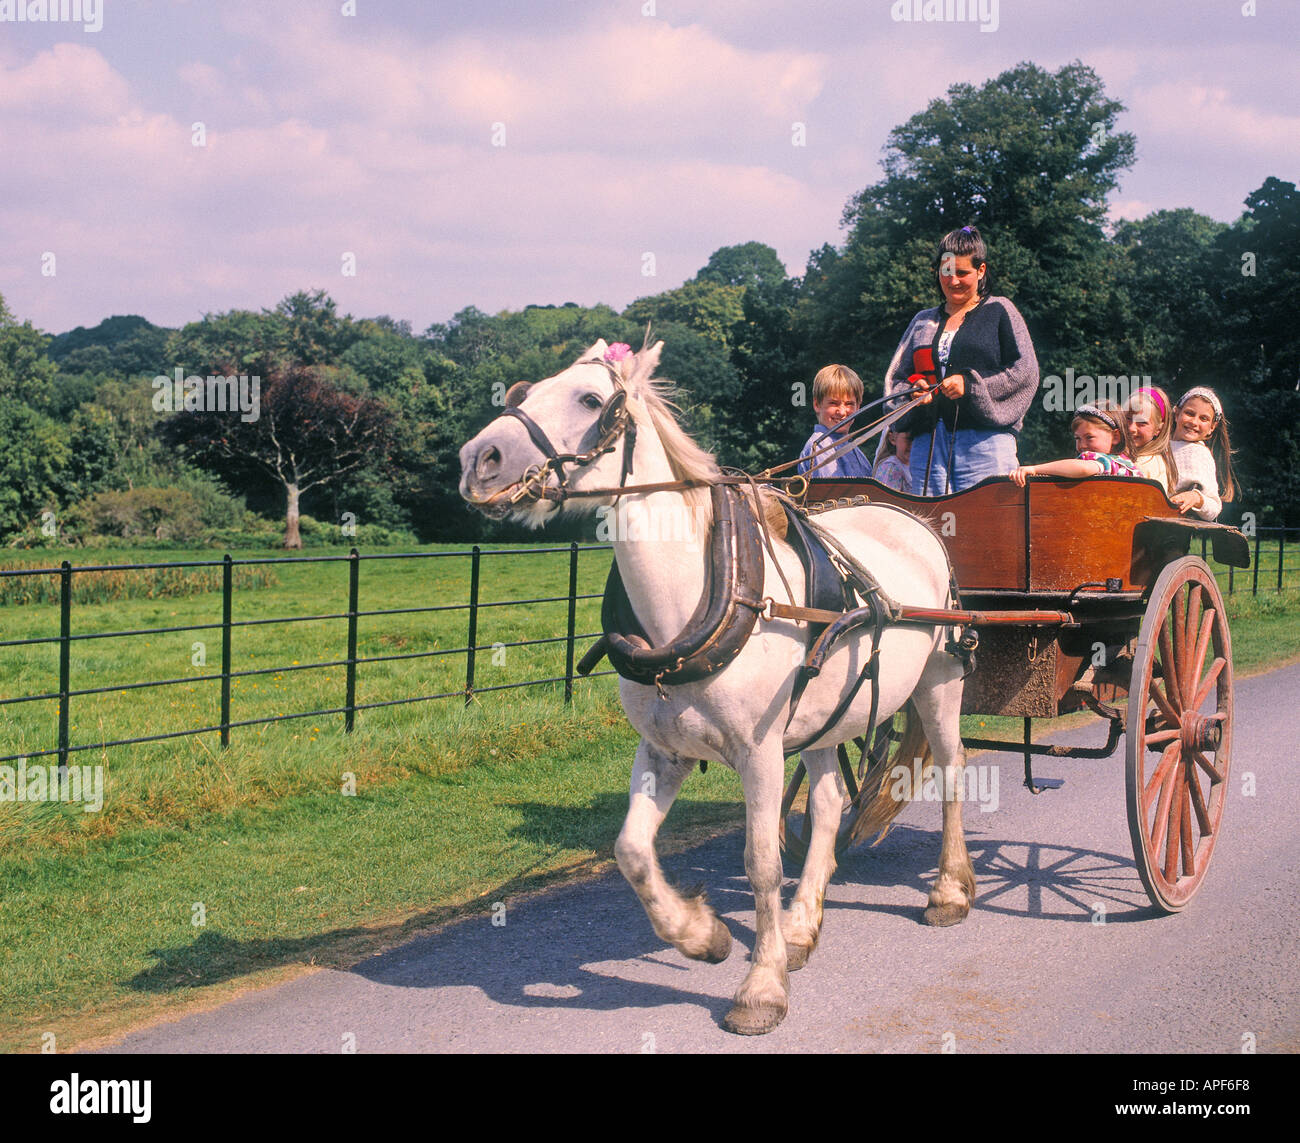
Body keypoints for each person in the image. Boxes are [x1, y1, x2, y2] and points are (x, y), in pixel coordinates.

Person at [885, 224, 1039, 495]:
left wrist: (971, 386)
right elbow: (894, 380)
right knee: (929, 528)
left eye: (962, 272)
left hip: (986, 443)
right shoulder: (922, 321)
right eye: (946, 271)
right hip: (927, 447)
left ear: (981, 271)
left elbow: (1025, 372)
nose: (953, 280)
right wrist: (913, 394)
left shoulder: (1000, 311)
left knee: (988, 523)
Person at [1009, 402, 1140, 485]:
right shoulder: (1128, 464)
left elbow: (1083, 468)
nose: (1082, 445)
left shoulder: (1106, 462)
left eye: (1089, 437)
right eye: (1078, 438)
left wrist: (1035, 469)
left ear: (1115, 436)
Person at [1170, 386, 1236, 521]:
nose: (1194, 422)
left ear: (1212, 427)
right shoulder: (1157, 443)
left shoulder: (1200, 455)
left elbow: (1213, 508)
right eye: (1189, 413)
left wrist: (1196, 498)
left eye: (1203, 418)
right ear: (1177, 414)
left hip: (1169, 528)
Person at [797, 364, 873, 478]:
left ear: (858, 407)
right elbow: (834, 493)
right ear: (817, 405)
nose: (842, 412)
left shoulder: (855, 450)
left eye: (849, 404)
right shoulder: (820, 448)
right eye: (833, 403)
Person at [1124, 385, 1179, 495]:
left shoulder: (1144, 464)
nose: (1131, 428)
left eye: (1142, 423)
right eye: (1128, 418)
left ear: (1158, 429)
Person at [872, 427, 913, 492]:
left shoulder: (918, 467)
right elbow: (885, 499)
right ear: (892, 438)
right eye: (908, 439)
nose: (913, 445)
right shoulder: (891, 467)